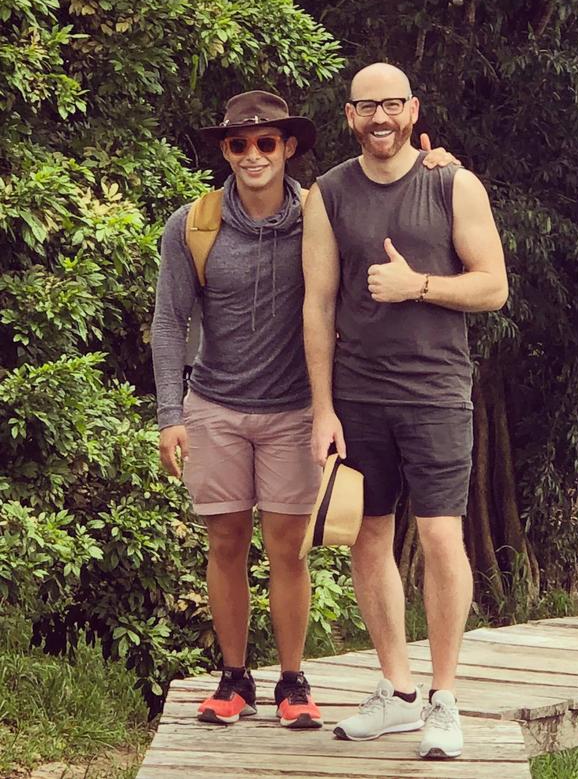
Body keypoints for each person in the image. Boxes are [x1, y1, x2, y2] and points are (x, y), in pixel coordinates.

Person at [151, 88, 457, 732]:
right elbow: (169, 325)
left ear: (289, 146)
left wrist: (434, 169)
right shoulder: (193, 224)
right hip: (215, 407)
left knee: (288, 550)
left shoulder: (323, 210)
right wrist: (170, 415)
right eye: (239, 143)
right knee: (225, 543)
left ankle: (293, 681)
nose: (253, 154)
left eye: (267, 142)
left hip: (297, 409)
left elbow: (390, 206)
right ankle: (234, 679)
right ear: (226, 151)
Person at [302, 63, 508, 759]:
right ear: (350, 116)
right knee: (368, 537)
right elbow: (318, 305)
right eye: (368, 107)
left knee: (442, 537)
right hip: (357, 394)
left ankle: (444, 698)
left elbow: (493, 288)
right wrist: (322, 408)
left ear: (413, 108)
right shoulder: (328, 193)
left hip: (436, 392)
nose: (381, 117)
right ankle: (396, 691)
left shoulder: (454, 183)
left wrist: (416, 284)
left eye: (393, 103)